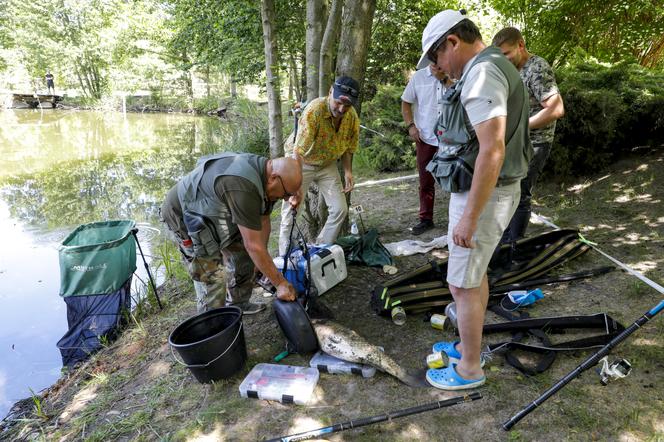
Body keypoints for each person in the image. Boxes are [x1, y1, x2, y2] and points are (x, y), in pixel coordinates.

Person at [418, 10, 531, 390]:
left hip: (485, 194)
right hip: (489, 192)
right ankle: (470, 347)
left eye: (436, 57)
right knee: (472, 276)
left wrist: (468, 217)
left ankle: (469, 368)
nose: (437, 66)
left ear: (452, 42)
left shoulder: (482, 74)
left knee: (462, 285)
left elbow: (492, 151)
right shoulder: (493, 65)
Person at [161, 153, 301, 314]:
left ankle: (238, 304)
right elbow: (253, 245)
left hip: (218, 209)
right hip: (184, 213)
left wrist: (260, 260)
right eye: (285, 194)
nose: (285, 199)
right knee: (212, 274)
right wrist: (280, 283)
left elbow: (263, 221)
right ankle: (212, 326)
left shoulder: (267, 178)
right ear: (274, 178)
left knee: (246, 256)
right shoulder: (243, 185)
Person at [492, 27, 565, 242]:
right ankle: (505, 240)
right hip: (517, 141)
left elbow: (556, 109)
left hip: (536, 142)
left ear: (521, 45)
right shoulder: (513, 68)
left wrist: (520, 126)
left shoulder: (537, 68)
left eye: (506, 53)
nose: (503, 59)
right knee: (509, 191)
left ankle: (513, 246)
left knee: (521, 193)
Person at [277, 76, 360, 256]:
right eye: (338, 103)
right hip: (301, 162)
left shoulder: (351, 116)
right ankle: (285, 258)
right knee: (292, 210)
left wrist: (348, 172)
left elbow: (348, 146)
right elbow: (298, 151)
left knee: (340, 209)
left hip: (327, 164)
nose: (341, 109)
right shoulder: (315, 111)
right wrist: (296, 186)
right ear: (330, 92)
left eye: (347, 106)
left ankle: (319, 251)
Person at [401, 63, 454, 235]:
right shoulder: (418, 77)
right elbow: (406, 103)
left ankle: (458, 218)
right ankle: (426, 219)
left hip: (452, 137)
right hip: (425, 137)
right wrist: (411, 126)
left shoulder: (454, 71)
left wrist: (445, 78)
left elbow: (462, 96)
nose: (435, 65)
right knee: (425, 181)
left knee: (456, 178)